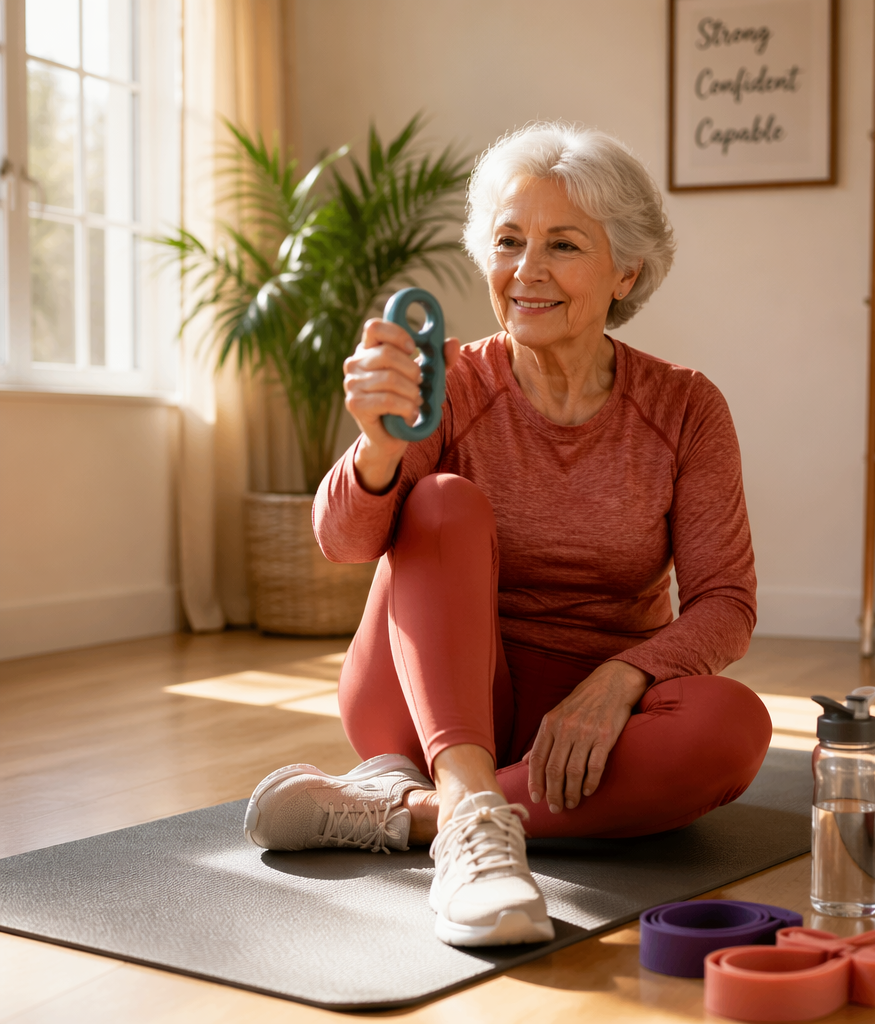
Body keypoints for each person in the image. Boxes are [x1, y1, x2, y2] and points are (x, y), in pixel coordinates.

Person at [244, 122, 771, 948]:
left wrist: (621, 680)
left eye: (563, 245)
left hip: (587, 728)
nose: (527, 270)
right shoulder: (451, 382)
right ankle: (470, 811)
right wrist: (378, 446)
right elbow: (345, 545)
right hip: (421, 699)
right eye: (508, 241)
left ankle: (416, 815)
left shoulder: (685, 408)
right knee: (445, 502)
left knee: (733, 730)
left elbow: (726, 603)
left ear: (625, 270)